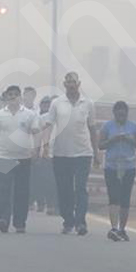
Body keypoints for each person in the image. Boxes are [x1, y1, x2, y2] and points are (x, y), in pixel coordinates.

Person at [43, 72, 100, 235]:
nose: (71, 85)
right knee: (64, 189)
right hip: (61, 154)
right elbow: (48, 125)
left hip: (83, 152)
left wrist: (96, 153)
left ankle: (81, 222)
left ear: (79, 84)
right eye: (68, 82)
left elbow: (92, 129)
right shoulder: (56, 103)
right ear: (64, 84)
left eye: (73, 82)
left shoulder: (87, 103)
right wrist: (45, 146)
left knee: (80, 188)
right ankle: (68, 220)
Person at [0, 85, 40, 233]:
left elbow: (36, 133)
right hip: (4, 157)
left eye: (15, 94)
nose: (12, 97)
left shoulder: (29, 115)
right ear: (6, 97)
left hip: (23, 158)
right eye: (9, 95)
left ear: (20, 97)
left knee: (21, 191)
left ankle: (19, 222)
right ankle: (3, 219)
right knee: (4, 190)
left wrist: (36, 150)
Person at [99, 101, 136, 241]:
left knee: (125, 198)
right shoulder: (107, 126)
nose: (121, 115)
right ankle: (114, 228)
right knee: (113, 196)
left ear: (127, 113)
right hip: (111, 166)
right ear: (114, 113)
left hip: (128, 166)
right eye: (118, 113)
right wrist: (112, 140)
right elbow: (100, 145)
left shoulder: (134, 127)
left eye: (123, 113)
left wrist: (130, 140)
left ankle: (122, 229)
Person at [32, 95, 58, 215]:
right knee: (48, 181)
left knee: (61, 181)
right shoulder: (42, 118)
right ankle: (50, 204)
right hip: (47, 155)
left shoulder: (65, 118)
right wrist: (36, 153)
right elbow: (38, 137)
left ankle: (58, 205)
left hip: (63, 154)